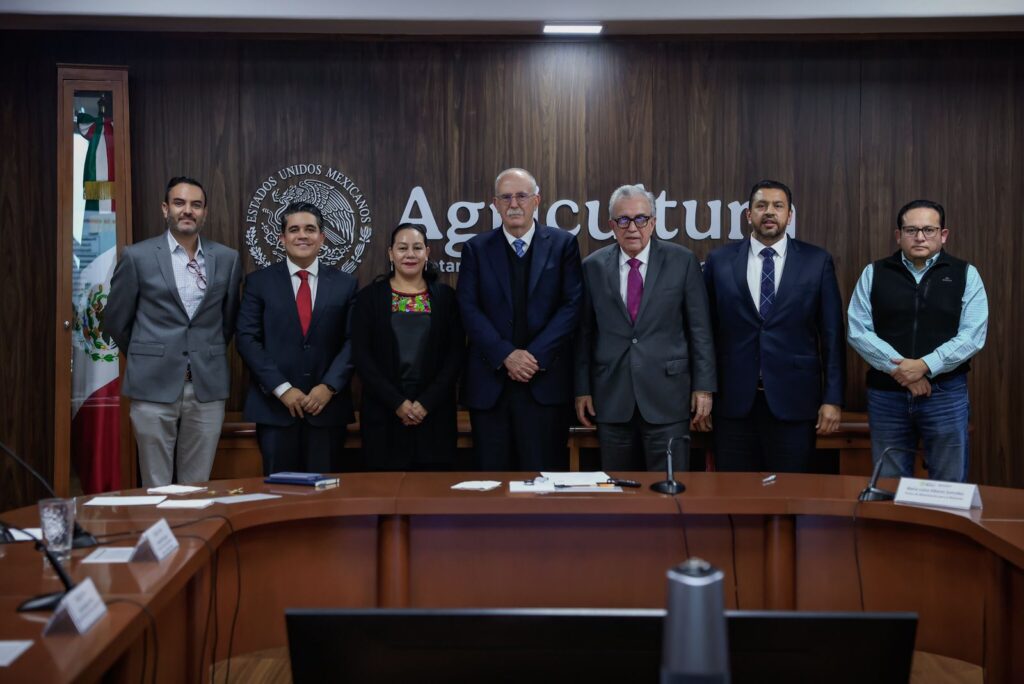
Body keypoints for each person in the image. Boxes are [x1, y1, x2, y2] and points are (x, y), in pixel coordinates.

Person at [105, 176, 242, 486]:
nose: (188, 210)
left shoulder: (227, 259)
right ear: (165, 209)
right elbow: (115, 320)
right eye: (179, 203)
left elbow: (229, 320)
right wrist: (147, 354)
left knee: (197, 483)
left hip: (206, 385)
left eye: (196, 205)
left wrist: (200, 351)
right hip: (152, 383)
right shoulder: (137, 257)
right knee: (156, 484)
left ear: (205, 212)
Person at [703, 180, 845, 473]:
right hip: (733, 403)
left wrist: (833, 399)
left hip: (795, 402)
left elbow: (832, 335)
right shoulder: (719, 261)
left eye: (778, 206)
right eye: (761, 205)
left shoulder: (817, 261)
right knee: (733, 492)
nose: (769, 212)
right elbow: (704, 332)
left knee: (790, 492)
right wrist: (702, 389)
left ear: (789, 215)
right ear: (748, 214)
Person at [575, 184, 715, 471]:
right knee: (618, 491)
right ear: (611, 226)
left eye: (640, 219)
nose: (632, 228)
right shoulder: (592, 267)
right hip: (612, 398)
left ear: (653, 222)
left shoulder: (682, 261)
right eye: (623, 220)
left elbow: (700, 330)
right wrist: (582, 389)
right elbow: (583, 335)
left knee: (669, 489)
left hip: (668, 398)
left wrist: (703, 388)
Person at [848, 199, 988, 482]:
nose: (920, 237)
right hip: (887, 396)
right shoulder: (874, 273)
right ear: (898, 235)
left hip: (945, 395)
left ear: (943, 235)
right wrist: (903, 371)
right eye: (911, 230)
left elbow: (972, 335)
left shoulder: (965, 274)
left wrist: (924, 366)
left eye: (929, 230)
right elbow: (858, 330)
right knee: (888, 484)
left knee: (948, 485)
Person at [456, 167, 583, 471]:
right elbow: (468, 308)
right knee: (492, 484)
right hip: (491, 387)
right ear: (495, 204)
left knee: (544, 481)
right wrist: (506, 355)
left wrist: (533, 357)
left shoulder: (563, 244)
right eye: (506, 197)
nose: (514, 204)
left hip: (545, 385)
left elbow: (572, 305)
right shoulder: (476, 248)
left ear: (536, 200)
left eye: (521, 196)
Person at [236, 202, 358, 474]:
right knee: (279, 491)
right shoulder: (259, 282)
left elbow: (354, 341)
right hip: (275, 409)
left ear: (322, 237)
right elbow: (247, 339)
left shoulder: (345, 284)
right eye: (294, 230)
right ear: (282, 238)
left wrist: (329, 387)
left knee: (325, 492)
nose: (302, 235)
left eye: (310, 229)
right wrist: (282, 388)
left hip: (327, 410)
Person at [352, 224, 464, 470]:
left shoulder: (445, 298)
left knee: (432, 489)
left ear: (427, 252)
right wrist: (397, 403)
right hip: (384, 413)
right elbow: (362, 356)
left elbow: (455, 355)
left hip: (434, 415)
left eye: (417, 248)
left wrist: (426, 403)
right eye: (402, 248)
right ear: (390, 254)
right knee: (383, 489)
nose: (410, 254)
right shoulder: (369, 298)